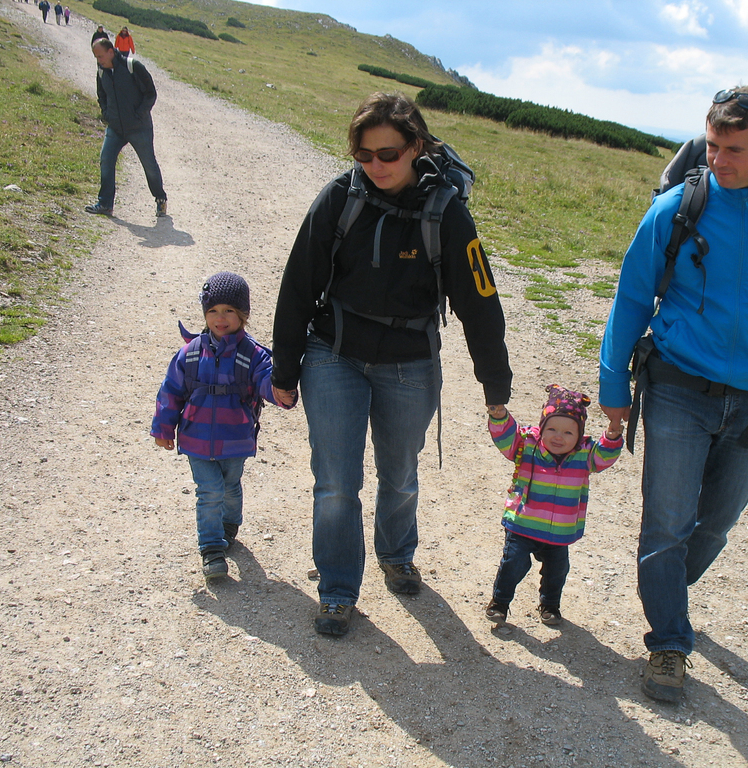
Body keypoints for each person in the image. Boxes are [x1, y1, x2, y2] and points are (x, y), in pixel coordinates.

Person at [598, 86, 748, 704]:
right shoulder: (678, 210)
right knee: (667, 524)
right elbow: (630, 299)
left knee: (717, 523)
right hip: (677, 386)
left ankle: (667, 587)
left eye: (733, 149)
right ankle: (669, 642)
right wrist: (613, 383)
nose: (719, 161)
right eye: (711, 146)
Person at [271, 91, 512, 637]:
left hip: (410, 364)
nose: (375, 166)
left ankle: (396, 553)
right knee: (335, 481)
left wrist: (494, 382)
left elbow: (480, 300)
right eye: (364, 155)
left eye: (389, 154)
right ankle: (337, 590)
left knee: (399, 474)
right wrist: (284, 371)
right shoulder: (339, 198)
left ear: (417, 147)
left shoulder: (447, 213)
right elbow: (297, 286)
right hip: (333, 355)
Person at [151, 272, 290, 581]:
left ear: (243, 314)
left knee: (230, 485)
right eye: (212, 311)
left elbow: (267, 382)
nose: (220, 318)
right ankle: (212, 549)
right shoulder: (190, 354)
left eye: (228, 310)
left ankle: (229, 523)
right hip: (196, 440)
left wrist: (280, 391)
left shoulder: (253, 356)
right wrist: (163, 427)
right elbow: (170, 391)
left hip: (235, 440)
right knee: (209, 490)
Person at [484, 385, 623, 626]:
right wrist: (499, 415)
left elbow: (605, 457)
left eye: (569, 433)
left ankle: (550, 605)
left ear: (579, 436)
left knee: (557, 571)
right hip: (523, 524)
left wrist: (611, 435)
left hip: (560, 531)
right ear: (541, 429)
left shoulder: (585, 455)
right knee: (513, 564)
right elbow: (507, 438)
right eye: (552, 429)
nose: (559, 437)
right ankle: (500, 602)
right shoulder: (527, 446)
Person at [85, 38, 168, 218]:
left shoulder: (132, 66)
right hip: (115, 128)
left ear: (110, 52)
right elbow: (102, 96)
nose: (98, 60)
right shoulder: (101, 71)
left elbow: (150, 93)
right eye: (96, 57)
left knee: (149, 165)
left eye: (100, 56)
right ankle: (105, 204)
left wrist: (139, 115)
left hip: (139, 127)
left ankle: (160, 199)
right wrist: (107, 115)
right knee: (106, 160)